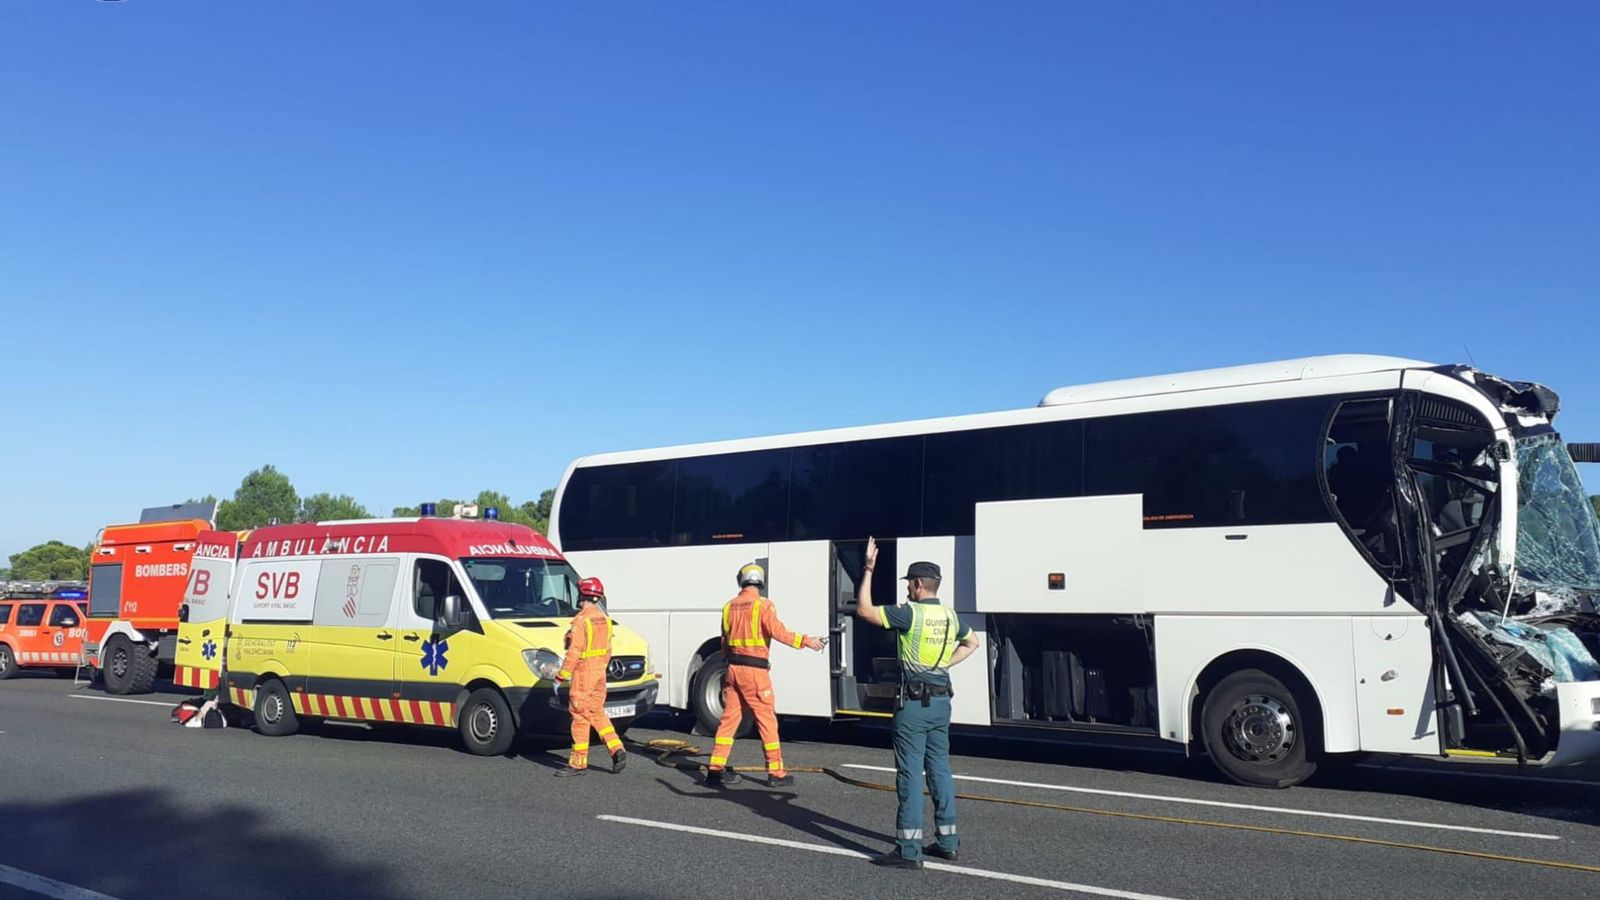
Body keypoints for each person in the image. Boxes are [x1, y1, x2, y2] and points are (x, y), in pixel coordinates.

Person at [855, 537, 981, 870]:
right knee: (939, 768)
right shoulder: (951, 617)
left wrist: (868, 569)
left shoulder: (910, 614)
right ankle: (947, 841)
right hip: (942, 702)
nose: (908, 589)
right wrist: (943, 666)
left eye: (910, 584)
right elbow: (973, 643)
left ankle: (908, 851)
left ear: (918, 584)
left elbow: (864, 610)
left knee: (909, 774)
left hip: (912, 706)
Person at [705, 563, 825, 788]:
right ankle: (776, 773)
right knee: (767, 721)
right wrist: (808, 641)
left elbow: (724, 642)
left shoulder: (729, 607)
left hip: (732, 670)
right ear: (761, 581)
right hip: (755, 673)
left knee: (729, 721)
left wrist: (731, 662)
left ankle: (715, 770)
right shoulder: (763, 606)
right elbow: (779, 633)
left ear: (741, 580)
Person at [553, 577, 627, 777]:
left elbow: (574, 652)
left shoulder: (581, 620)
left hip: (584, 673)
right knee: (596, 712)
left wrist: (561, 676)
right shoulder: (605, 620)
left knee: (580, 716)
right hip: (599, 673)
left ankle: (578, 763)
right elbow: (608, 650)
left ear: (582, 595)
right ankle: (617, 749)